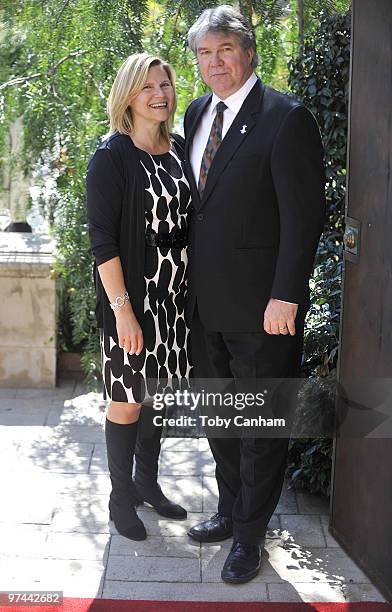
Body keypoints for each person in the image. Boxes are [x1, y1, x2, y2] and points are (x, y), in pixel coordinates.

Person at [184, 6, 326, 583]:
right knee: (220, 416)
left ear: (248, 52)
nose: (214, 64)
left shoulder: (285, 118)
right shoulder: (196, 113)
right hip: (203, 306)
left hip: (263, 308)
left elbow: (304, 217)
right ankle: (228, 510)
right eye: (203, 54)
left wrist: (286, 296)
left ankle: (250, 537)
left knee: (262, 424)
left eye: (224, 51)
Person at [86, 53, 191, 541]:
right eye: (148, 86)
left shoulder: (181, 150)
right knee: (127, 400)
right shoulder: (111, 157)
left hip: (178, 301)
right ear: (128, 95)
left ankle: (147, 483)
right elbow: (103, 243)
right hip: (134, 301)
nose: (159, 94)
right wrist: (123, 312)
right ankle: (119, 496)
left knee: (158, 399)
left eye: (165, 83)